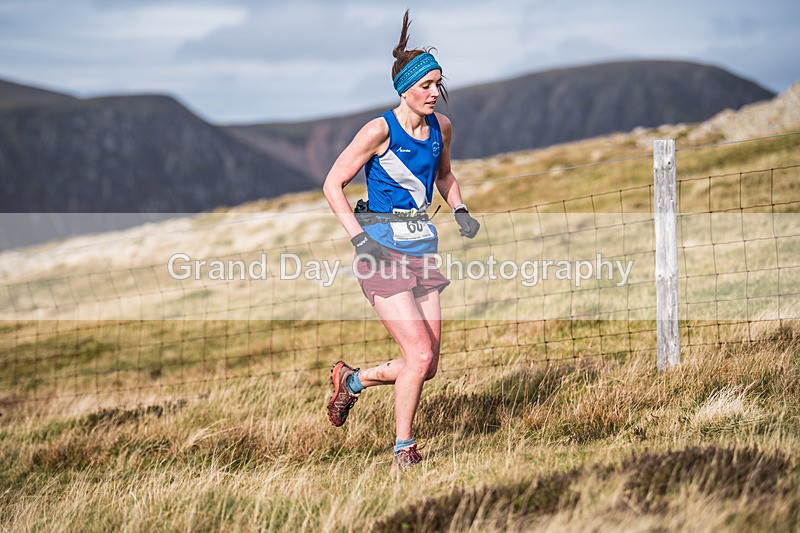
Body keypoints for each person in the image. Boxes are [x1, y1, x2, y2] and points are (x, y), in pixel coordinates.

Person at [322, 9, 480, 470]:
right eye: (426, 86)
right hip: (379, 248)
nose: (435, 93)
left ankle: (351, 381)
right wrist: (358, 240)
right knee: (418, 353)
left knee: (427, 364)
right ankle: (403, 450)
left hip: (422, 248)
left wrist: (460, 208)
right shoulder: (378, 130)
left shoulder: (441, 129)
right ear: (404, 89)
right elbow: (333, 185)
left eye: (438, 84)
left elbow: (445, 176)